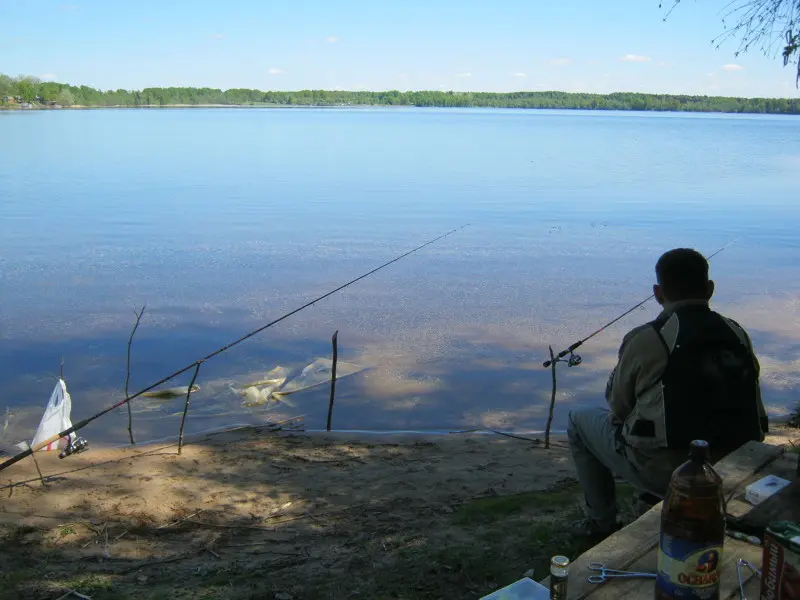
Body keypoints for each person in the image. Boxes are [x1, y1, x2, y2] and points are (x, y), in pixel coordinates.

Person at [567, 248, 768, 540]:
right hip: (734, 465)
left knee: (578, 420)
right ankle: (650, 501)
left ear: (658, 293)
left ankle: (601, 525)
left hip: (675, 473)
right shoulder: (737, 332)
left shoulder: (647, 338)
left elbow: (619, 405)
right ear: (710, 289)